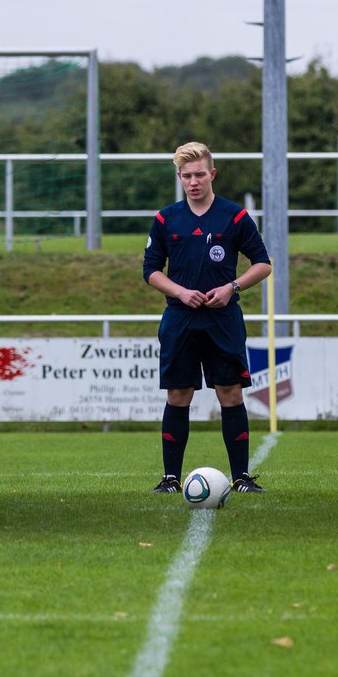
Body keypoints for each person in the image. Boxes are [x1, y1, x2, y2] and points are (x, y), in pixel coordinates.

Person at [142, 142, 273, 494]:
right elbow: (150, 270)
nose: (193, 182)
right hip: (180, 319)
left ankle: (242, 477)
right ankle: (170, 478)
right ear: (179, 178)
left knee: (230, 393)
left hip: (223, 319)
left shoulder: (234, 216)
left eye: (200, 174)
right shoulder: (166, 218)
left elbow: (263, 264)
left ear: (212, 174)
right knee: (178, 395)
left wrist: (232, 286)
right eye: (186, 176)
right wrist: (180, 292)